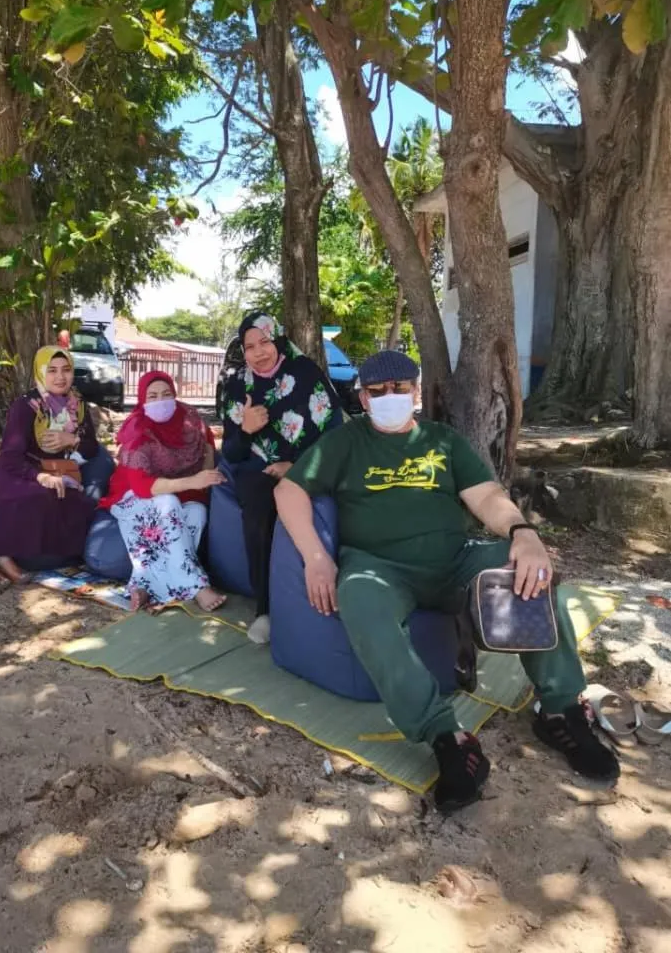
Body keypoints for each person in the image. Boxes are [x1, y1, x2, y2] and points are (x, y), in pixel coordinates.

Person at [274, 349, 619, 813]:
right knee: (358, 597)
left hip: (454, 560)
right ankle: (447, 736)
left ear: (417, 391)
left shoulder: (442, 441)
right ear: (361, 397)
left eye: (401, 388)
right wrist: (315, 556)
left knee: (527, 568)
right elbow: (289, 490)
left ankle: (559, 709)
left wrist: (524, 532)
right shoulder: (345, 442)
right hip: (380, 568)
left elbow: (486, 497)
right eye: (377, 392)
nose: (390, 397)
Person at [0, 346, 114, 592]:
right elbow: (10, 457)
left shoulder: (78, 406)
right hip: (15, 474)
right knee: (40, 496)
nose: (60, 377)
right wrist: (40, 476)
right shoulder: (25, 406)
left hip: (58, 474)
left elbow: (91, 449)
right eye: (52, 371)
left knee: (74, 504)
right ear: (41, 373)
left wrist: (71, 440)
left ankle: (1, 553)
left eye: (66, 370)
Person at [221, 312, 342, 644]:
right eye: (249, 346)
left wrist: (297, 466)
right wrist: (245, 429)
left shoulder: (306, 374)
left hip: (309, 465)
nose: (259, 352)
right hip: (257, 469)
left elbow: (334, 432)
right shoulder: (238, 385)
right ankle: (265, 609)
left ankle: (332, 595)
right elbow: (231, 453)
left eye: (264, 342)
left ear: (277, 340)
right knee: (259, 504)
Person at [86, 370, 227, 613]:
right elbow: (142, 486)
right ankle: (196, 585)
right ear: (142, 399)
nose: (160, 401)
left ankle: (144, 584)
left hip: (182, 493)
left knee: (196, 513)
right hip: (132, 497)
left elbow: (207, 447)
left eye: (166, 394)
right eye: (152, 396)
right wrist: (193, 480)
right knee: (167, 504)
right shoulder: (137, 430)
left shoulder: (190, 419)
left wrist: (204, 477)